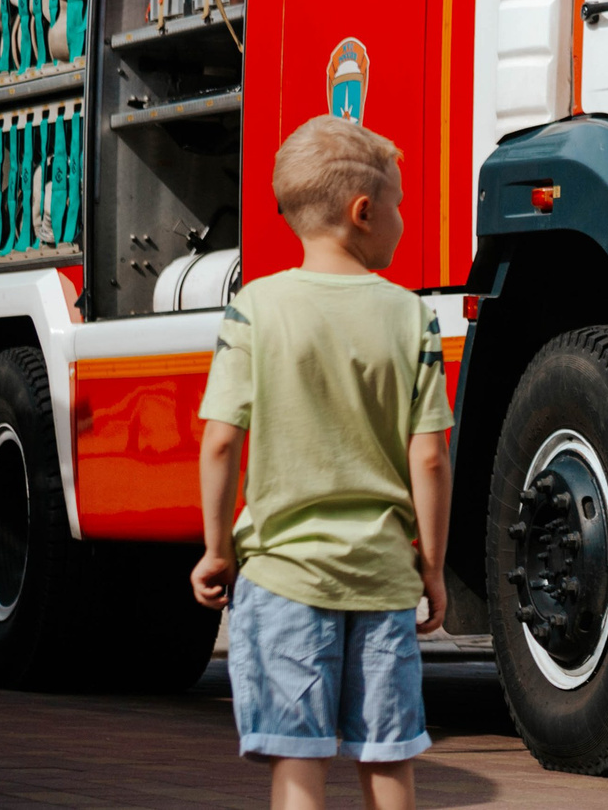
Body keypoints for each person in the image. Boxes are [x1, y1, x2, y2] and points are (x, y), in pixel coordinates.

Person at [194, 117, 454, 810]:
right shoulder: (411, 316)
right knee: (389, 758)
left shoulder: (255, 308)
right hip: (381, 580)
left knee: (300, 768)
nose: (403, 218)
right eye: (398, 203)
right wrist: (430, 564)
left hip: (282, 580)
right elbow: (429, 453)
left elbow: (220, 441)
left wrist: (217, 550)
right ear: (362, 212)